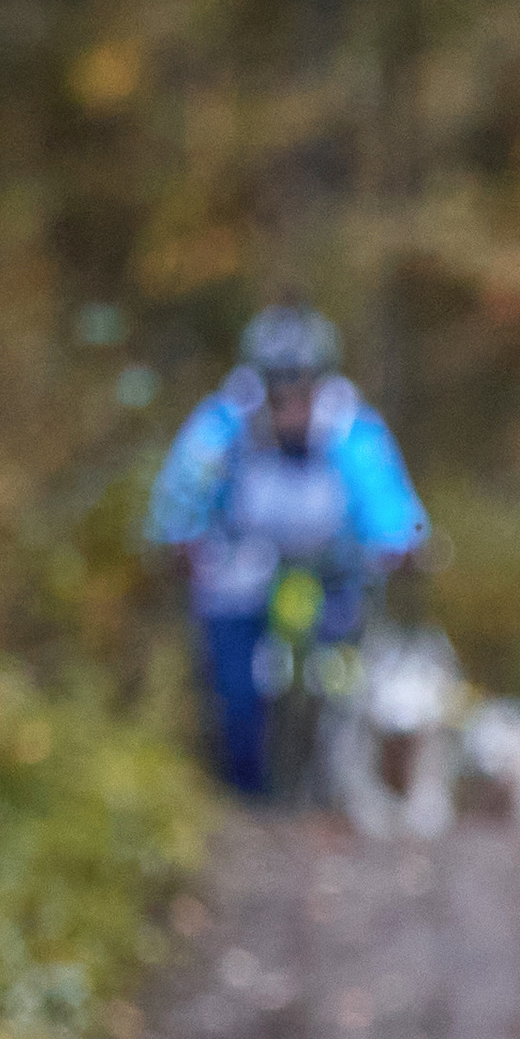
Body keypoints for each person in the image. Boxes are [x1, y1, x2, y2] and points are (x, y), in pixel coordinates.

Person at [148, 305, 430, 794]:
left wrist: (399, 543)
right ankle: (244, 790)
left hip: (333, 569)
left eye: (301, 381)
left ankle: (338, 782)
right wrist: (181, 538)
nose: (289, 397)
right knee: (233, 688)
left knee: (344, 675)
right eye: (278, 382)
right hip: (240, 566)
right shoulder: (224, 423)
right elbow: (183, 490)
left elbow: (384, 497)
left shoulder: (349, 427)